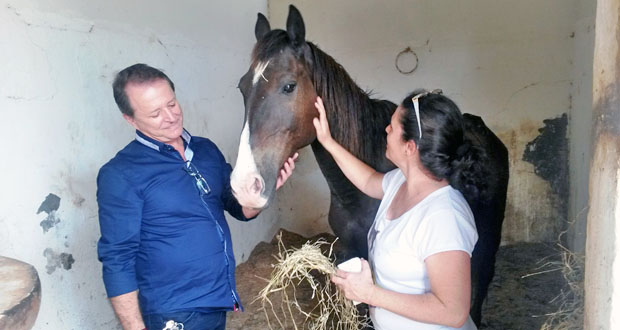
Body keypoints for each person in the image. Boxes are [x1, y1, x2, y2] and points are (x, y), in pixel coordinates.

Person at [97, 63, 297, 330]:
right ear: (130, 119)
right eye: (155, 113)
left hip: (217, 301)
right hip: (172, 313)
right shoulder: (121, 173)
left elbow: (240, 209)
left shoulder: (205, 150)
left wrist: (262, 193)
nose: (170, 117)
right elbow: (117, 258)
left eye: (172, 104)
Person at [313, 90, 482, 329]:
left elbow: (453, 312)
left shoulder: (444, 216)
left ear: (410, 147)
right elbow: (368, 180)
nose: (386, 131)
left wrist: (369, 294)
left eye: (392, 128)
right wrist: (328, 142)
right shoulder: (399, 183)